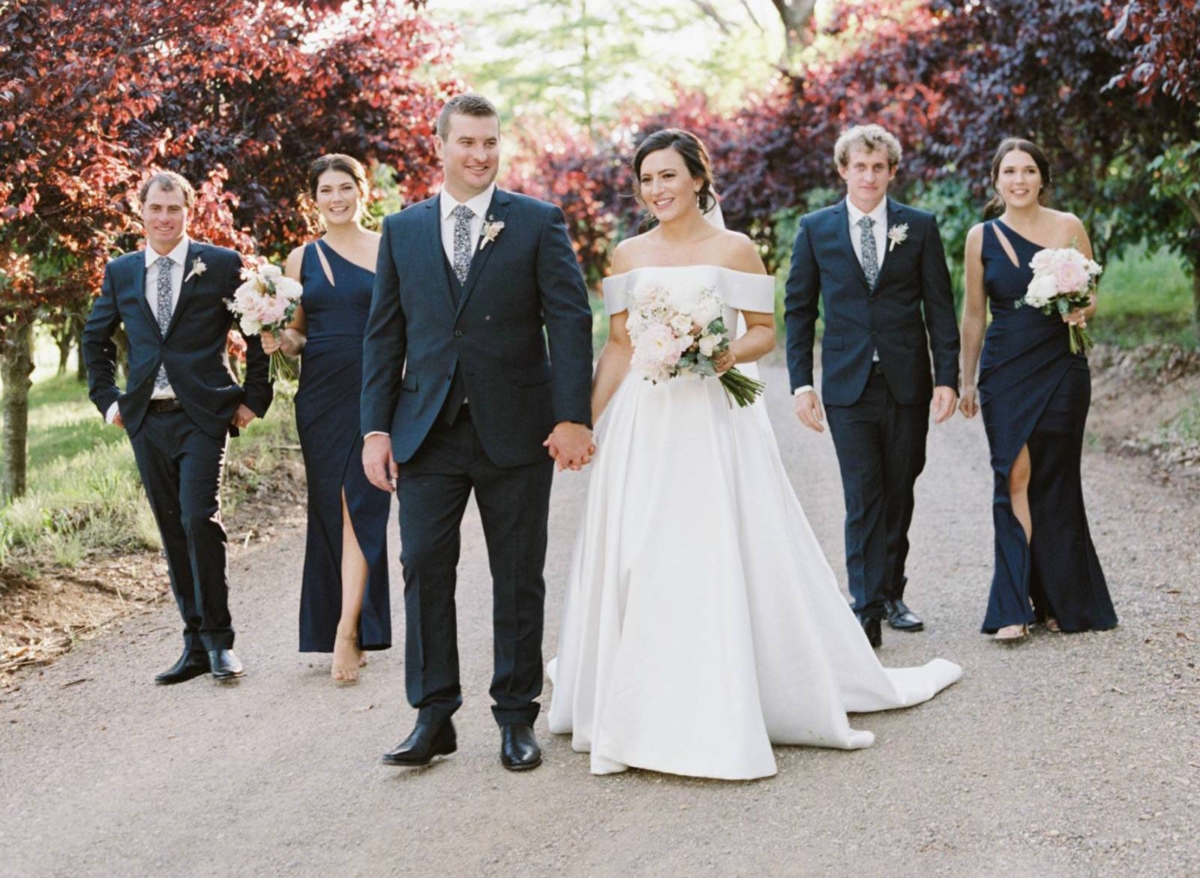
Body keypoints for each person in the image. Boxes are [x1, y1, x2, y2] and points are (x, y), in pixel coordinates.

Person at [547, 128, 961, 780]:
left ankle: (726, 689)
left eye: (669, 176)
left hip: (712, 420)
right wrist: (580, 422)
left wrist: (718, 352)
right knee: (637, 549)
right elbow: (621, 347)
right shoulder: (627, 255)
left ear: (696, 178)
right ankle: (638, 695)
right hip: (646, 423)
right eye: (647, 179)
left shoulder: (735, 248)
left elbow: (764, 334)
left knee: (713, 546)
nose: (657, 189)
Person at [360, 94, 595, 771]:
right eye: (467, 141)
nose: (481, 154)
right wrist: (376, 430)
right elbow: (385, 337)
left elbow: (570, 321)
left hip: (517, 430)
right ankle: (433, 716)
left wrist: (571, 414)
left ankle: (516, 716)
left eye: (491, 142)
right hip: (426, 430)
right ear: (439, 144)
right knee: (423, 568)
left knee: (518, 574)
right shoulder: (401, 230)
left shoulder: (537, 222)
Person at [83, 171, 273, 684]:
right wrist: (109, 402)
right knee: (172, 530)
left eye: (175, 209)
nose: (165, 218)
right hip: (146, 418)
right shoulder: (121, 272)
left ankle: (220, 642)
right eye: (156, 208)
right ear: (140, 210)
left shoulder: (221, 264)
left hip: (203, 414)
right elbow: (94, 341)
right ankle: (193, 642)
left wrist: (256, 398)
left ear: (190, 212)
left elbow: (256, 331)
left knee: (197, 518)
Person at [784, 124, 960, 648]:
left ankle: (891, 592)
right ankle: (865, 608)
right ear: (843, 170)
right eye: (859, 166)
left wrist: (947, 378)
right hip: (847, 385)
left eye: (878, 167)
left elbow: (940, 309)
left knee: (900, 489)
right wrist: (801, 385)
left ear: (891, 172)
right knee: (863, 494)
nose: (868, 176)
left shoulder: (920, 227)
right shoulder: (816, 229)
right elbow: (798, 311)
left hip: (907, 382)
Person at [958, 138, 1117, 641]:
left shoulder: (1068, 226)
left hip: (1062, 365)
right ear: (996, 179)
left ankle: (1059, 599)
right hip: (1004, 369)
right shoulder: (979, 236)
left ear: (1042, 178)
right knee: (1014, 476)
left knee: (1055, 477)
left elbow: (1091, 297)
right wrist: (965, 377)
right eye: (1010, 171)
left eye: (1028, 170)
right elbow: (973, 313)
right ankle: (1011, 606)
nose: (1019, 180)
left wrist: (1079, 309)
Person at [262, 154, 391, 681]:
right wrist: (278, 336)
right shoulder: (301, 258)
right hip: (319, 397)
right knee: (331, 511)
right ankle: (350, 623)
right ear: (312, 199)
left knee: (361, 504)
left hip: (374, 390)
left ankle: (345, 632)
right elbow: (298, 335)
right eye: (325, 191)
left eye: (345, 188)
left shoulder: (390, 247)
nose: (335, 199)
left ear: (363, 191)